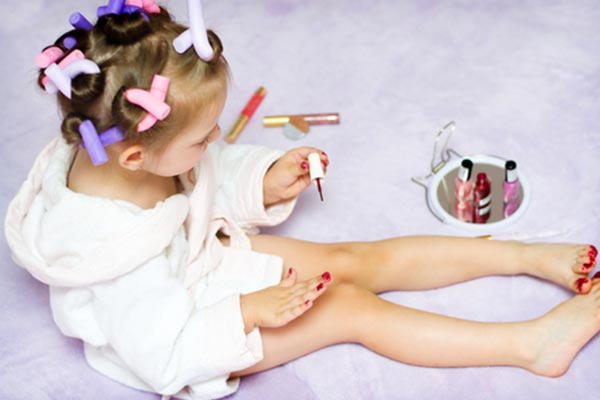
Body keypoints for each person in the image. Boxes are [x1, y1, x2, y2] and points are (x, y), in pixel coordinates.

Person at [5, 2, 600, 400]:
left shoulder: (127, 150)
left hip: (204, 265)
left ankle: (525, 255)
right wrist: (249, 311)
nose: (216, 142)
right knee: (348, 307)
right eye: (203, 136)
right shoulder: (110, 258)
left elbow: (197, 173)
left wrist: (262, 178)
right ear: (136, 156)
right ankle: (531, 346)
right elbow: (164, 355)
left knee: (350, 257)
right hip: (191, 335)